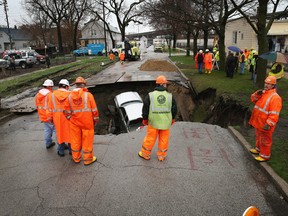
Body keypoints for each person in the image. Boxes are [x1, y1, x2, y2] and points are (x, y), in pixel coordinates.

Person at [138, 75, 177, 161]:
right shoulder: (170, 96)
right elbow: (174, 109)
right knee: (164, 139)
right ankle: (161, 156)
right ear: (163, 84)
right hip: (166, 123)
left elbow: (145, 108)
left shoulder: (150, 95)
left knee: (150, 138)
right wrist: (173, 118)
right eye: (165, 84)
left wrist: (145, 119)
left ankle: (145, 154)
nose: (166, 85)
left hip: (153, 122)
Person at [64, 77, 99, 166]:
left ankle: (76, 158)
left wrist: (69, 118)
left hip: (74, 122)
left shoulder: (69, 96)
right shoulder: (88, 95)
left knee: (75, 140)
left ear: (75, 85)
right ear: (84, 85)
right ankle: (88, 160)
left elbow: (66, 111)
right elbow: (94, 110)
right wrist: (95, 120)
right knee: (87, 141)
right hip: (87, 122)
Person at [248, 76, 282, 162]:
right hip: (259, 121)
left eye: (269, 84)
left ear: (273, 86)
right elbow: (253, 99)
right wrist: (256, 94)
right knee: (259, 136)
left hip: (266, 123)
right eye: (266, 83)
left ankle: (265, 156)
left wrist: (269, 123)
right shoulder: (263, 93)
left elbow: (274, 113)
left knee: (265, 140)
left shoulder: (275, 98)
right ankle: (258, 149)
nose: (266, 85)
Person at [47, 79, 71, 157]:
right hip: (68, 117)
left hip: (57, 118)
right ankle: (72, 150)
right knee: (70, 134)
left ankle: (61, 151)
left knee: (60, 134)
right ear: (67, 86)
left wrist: (50, 118)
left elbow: (49, 108)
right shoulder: (70, 94)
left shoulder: (52, 95)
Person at [35, 79, 56, 149]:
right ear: (49, 87)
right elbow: (53, 106)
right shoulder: (50, 95)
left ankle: (48, 143)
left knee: (47, 130)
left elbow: (37, 106)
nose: (52, 88)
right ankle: (61, 146)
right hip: (50, 116)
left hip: (43, 116)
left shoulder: (38, 95)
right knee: (57, 131)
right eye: (51, 87)